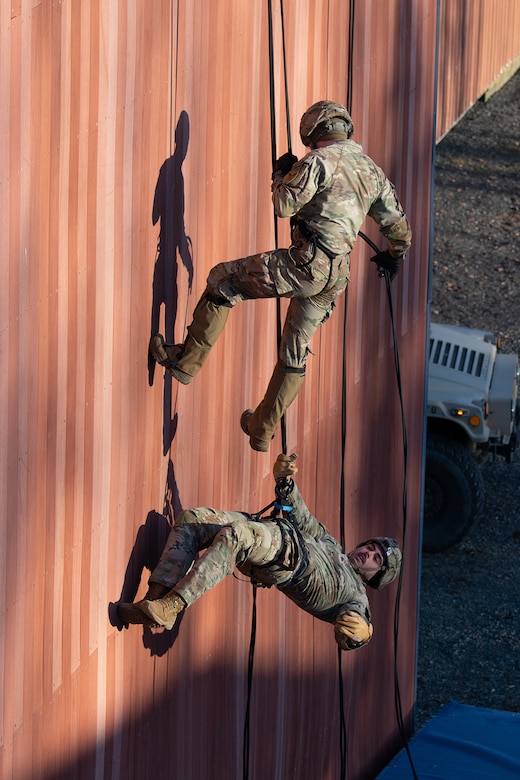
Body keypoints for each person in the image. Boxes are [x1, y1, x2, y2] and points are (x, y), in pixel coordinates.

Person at [149, 100, 412, 452]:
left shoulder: (318, 162)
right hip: (335, 278)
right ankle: (262, 429)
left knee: (223, 281)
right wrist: (393, 258)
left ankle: (184, 362)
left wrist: (282, 175)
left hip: (305, 264)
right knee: (295, 351)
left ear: (316, 132)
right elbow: (398, 229)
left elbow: (283, 205)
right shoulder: (371, 171)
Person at [118, 454, 402, 651]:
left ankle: (172, 607)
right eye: (371, 547)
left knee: (238, 535)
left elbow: (355, 633)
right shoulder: (331, 544)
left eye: (376, 559)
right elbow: (302, 518)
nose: (368, 553)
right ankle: (155, 599)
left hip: (288, 557)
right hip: (274, 534)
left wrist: (363, 632)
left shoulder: (356, 596)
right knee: (193, 519)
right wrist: (286, 484)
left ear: (374, 577)